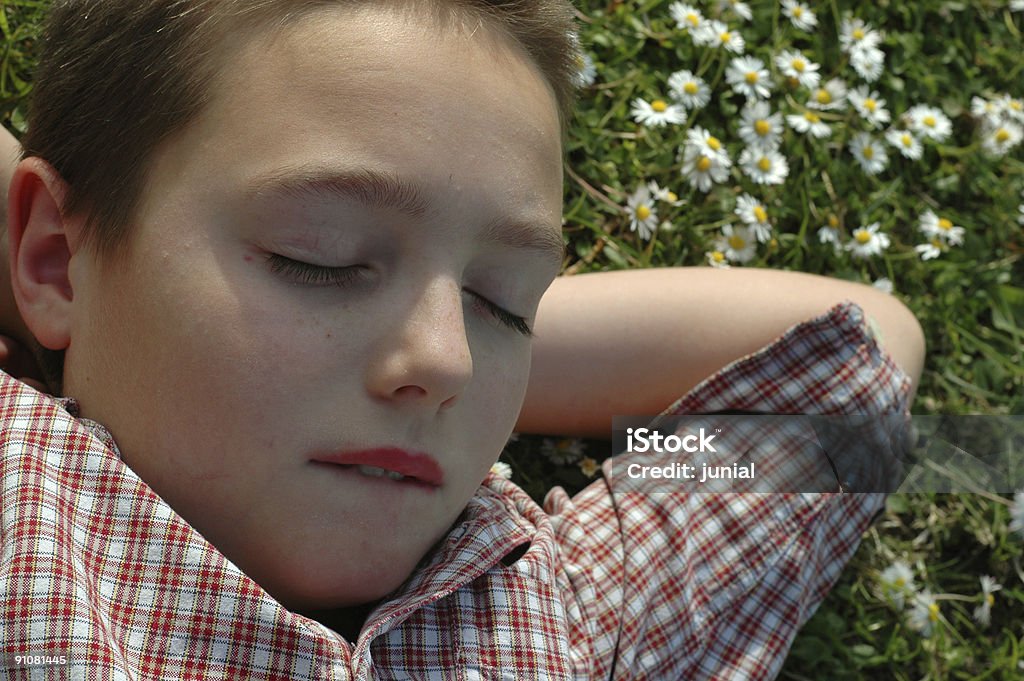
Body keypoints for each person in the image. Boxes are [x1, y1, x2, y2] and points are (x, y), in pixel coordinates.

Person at [0, 0, 924, 678]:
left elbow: (847, 387)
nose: (445, 361)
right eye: (316, 257)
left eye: (509, 301)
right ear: (48, 258)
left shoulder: (578, 618)